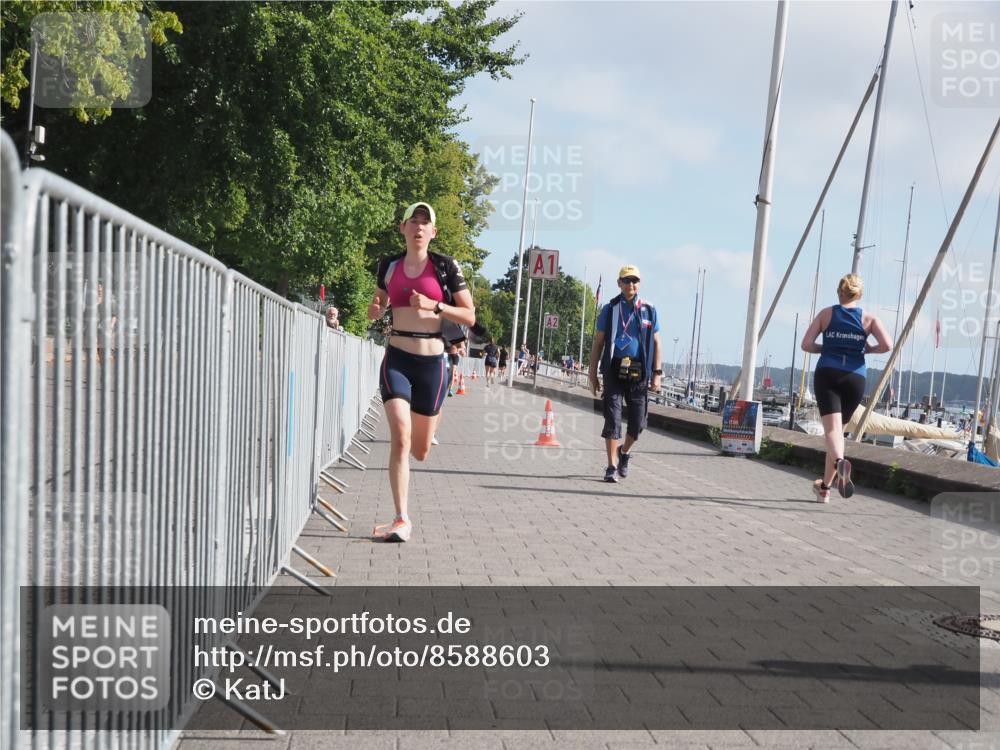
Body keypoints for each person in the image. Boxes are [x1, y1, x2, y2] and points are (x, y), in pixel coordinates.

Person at [369, 201, 475, 541]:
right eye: (411, 222)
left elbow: (469, 316)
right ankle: (401, 518)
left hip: (432, 362)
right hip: (397, 358)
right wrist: (374, 308)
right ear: (402, 228)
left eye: (424, 223)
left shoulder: (445, 267)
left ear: (433, 232)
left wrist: (436, 305)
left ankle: (433, 421)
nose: (417, 227)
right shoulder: (389, 265)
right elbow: (378, 302)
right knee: (400, 436)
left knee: (420, 450)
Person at [800, 273, 891, 503]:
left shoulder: (826, 314)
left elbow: (806, 344)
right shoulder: (869, 319)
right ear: (859, 293)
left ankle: (840, 463)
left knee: (831, 433)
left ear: (840, 292)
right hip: (855, 378)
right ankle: (825, 488)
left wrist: (827, 347)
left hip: (828, 373)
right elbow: (887, 345)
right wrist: (868, 350)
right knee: (838, 434)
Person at [588, 265, 662, 483]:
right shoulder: (610, 309)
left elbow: (657, 342)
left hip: (639, 371)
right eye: (627, 280)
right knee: (612, 418)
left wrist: (657, 373)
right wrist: (592, 373)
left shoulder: (649, 309)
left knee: (638, 423)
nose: (631, 284)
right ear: (619, 283)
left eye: (635, 280)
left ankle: (624, 452)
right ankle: (611, 465)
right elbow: (599, 341)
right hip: (614, 369)